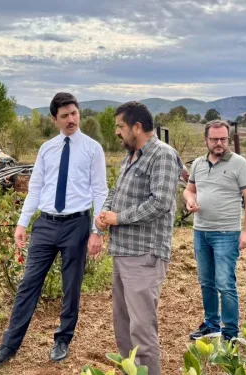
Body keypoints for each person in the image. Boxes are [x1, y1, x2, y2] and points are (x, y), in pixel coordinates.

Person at [0, 92, 109, 368]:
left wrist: (96, 231)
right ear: (54, 119)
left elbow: (101, 191)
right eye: (64, 116)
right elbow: (36, 187)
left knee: (71, 287)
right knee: (28, 284)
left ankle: (62, 339)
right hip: (45, 224)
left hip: (77, 224)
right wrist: (23, 222)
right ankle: (9, 345)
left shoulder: (92, 149)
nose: (71, 120)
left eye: (74, 113)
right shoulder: (47, 149)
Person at [96, 101, 182, 375]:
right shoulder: (131, 155)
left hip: (144, 255)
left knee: (142, 330)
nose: (117, 132)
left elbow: (161, 203)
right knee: (123, 328)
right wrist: (103, 217)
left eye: (120, 127)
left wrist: (118, 218)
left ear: (137, 127)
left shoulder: (163, 155)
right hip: (122, 252)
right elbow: (116, 191)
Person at [183, 119, 246, 341]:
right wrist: (189, 200)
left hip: (227, 233)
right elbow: (189, 190)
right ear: (205, 140)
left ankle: (230, 332)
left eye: (223, 139)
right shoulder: (198, 164)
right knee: (206, 282)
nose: (219, 143)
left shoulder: (239, 164)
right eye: (214, 139)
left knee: (225, 283)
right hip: (201, 232)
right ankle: (211, 324)